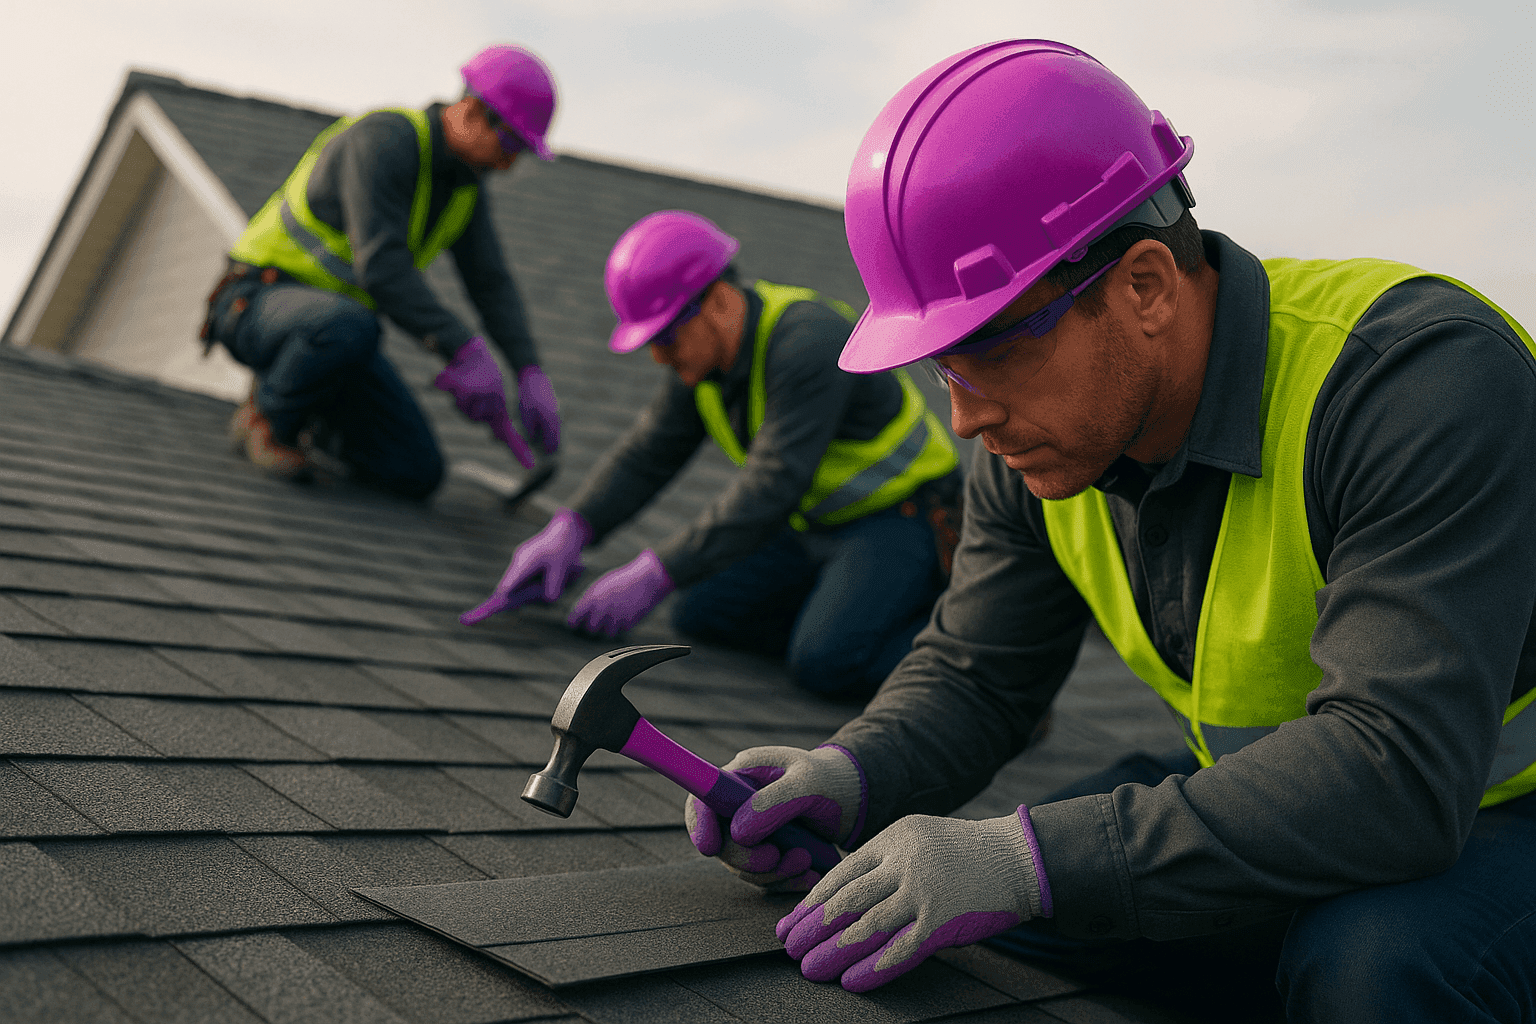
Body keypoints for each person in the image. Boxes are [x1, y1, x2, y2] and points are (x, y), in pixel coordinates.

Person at [684, 39, 1536, 1019]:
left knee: (1377, 966)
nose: (964, 417)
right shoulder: (1045, 439)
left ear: (1143, 286)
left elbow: (1396, 771)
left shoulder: (1414, 382)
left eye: (990, 351)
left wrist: (1029, 859)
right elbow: (979, 673)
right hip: (1301, 790)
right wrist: (848, 775)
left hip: (1483, 802)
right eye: (943, 369)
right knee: (991, 902)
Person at [463, 210, 962, 699]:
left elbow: (773, 483)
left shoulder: (810, 340)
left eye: (665, 337)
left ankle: (964, 667)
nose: (659, 356)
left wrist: (654, 572)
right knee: (699, 612)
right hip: (812, 524)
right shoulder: (702, 364)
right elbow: (647, 455)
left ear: (719, 300)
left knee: (824, 663)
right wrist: (573, 527)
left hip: (902, 518)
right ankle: (844, 610)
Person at [202, 44, 562, 498]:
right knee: (351, 325)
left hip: (336, 339)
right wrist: (463, 349)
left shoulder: (464, 189)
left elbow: (490, 285)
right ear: (471, 111)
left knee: (415, 470)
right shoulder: (385, 142)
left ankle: (315, 423)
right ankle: (266, 417)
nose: (509, 164)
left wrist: (528, 370)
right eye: (510, 143)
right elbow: (383, 269)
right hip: (255, 303)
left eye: (521, 152)